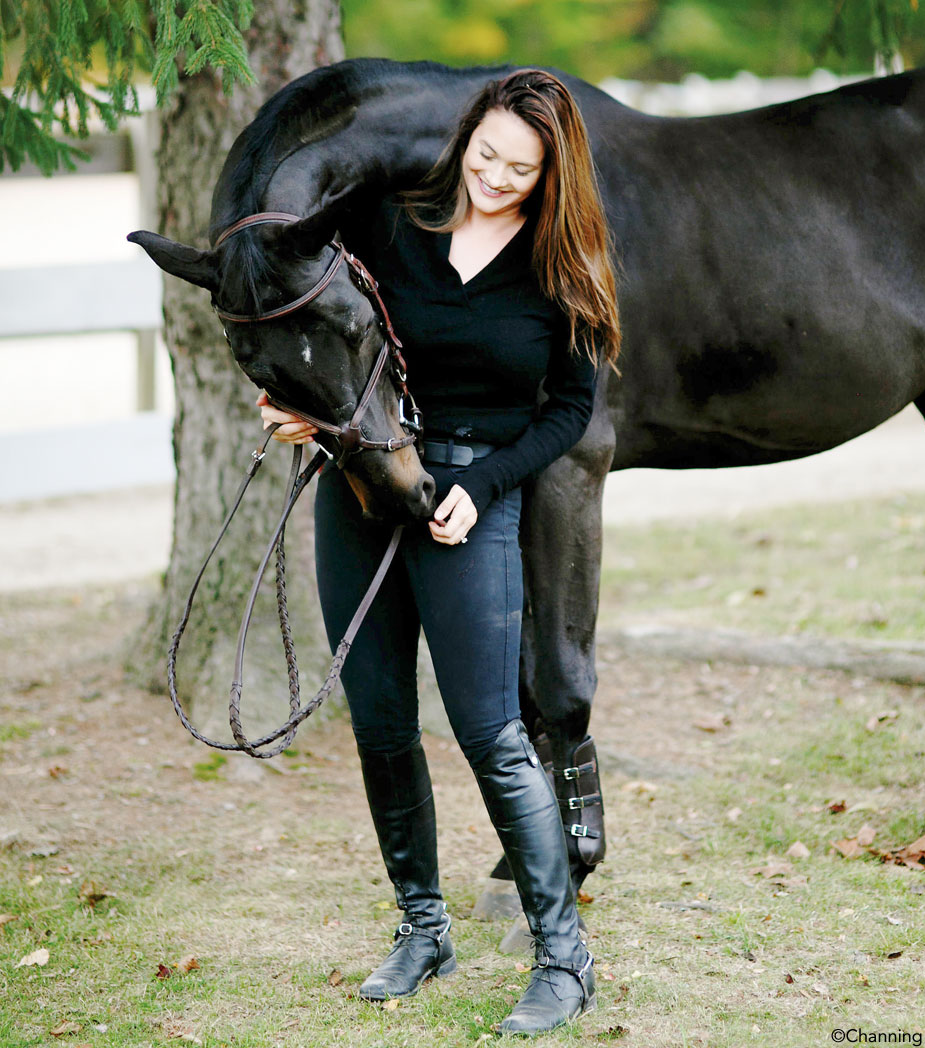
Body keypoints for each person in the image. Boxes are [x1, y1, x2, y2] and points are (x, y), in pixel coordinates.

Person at [258, 68, 621, 1036]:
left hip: (469, 499)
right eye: (486, 153)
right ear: (465, 138)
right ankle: (422, 928)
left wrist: (483, 484)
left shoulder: (563, 266)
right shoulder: (385, 226)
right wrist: (297, 409)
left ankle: (561, 954)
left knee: (492, 736)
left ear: (553, 172)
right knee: (379, 725)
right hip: (360, 491)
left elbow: (572, 411)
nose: (496, 177)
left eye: (521, 166)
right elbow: (320, 337)